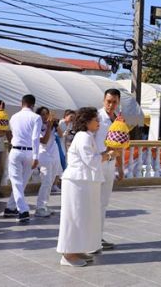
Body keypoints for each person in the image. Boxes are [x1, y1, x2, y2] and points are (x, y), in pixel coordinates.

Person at [56, 107, 104, 267]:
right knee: (74, 217)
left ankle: (76, 249)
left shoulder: (87, 135)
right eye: (95, 119)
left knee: (82, 217)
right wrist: (109, 155)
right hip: (77, 182)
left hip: (82, 182)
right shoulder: (83, 136)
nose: (98, 122)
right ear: (86, 121)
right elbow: (90, 160)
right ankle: (68, 255)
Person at [3, 94, 41, 223]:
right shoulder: (36, 117)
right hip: (29, 152)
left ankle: (10, 207)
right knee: (21, 182)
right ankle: (22, 209)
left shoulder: (14, 117)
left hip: (15, 150)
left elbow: (13, 133)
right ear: (33, 105)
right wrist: (36, 156)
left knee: (17, 182)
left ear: (22, 103)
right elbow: (35, 138)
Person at [95, 89, 124, 252]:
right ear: (103, 100)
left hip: (110, 163)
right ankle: (92, 237)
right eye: (108, 101)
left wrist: (120, 167)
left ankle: (98, 236)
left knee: (104, 202)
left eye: (114, 102)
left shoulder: (117, 120)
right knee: (95, 202)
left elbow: (119, 145)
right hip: (98, 161)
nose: (111, 105)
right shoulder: (97, 118)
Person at [34, 107, 63, 217]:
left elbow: (60, 135)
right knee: (46, 181)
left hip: (54, 154)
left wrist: (56, 124)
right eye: (42, 114)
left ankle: (44, 205)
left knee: (50, 182)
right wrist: (49, 126)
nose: (45, 116)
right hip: (44, 155)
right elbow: (44, 141)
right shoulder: (37, 126)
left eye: (47, 114)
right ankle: (39, 207)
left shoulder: (52, 124)